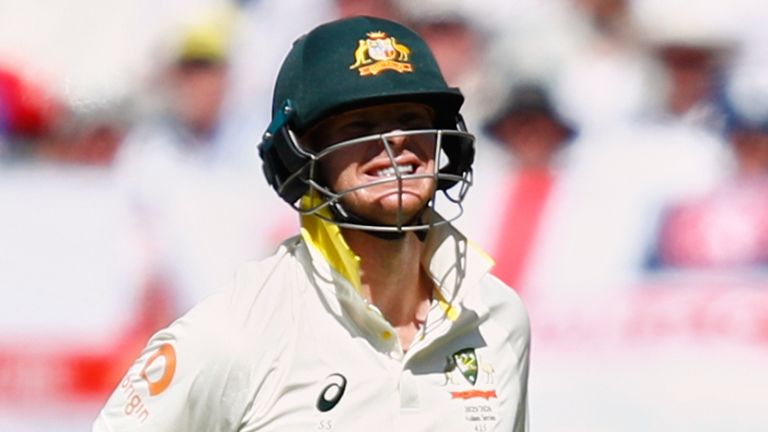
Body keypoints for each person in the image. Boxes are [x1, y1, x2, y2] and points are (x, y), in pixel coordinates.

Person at [93, 16, 530, 431]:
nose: (396, 140)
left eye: (412, 120)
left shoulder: (497, 317)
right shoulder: (235, 334)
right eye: (360, 125)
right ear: (299, 159)